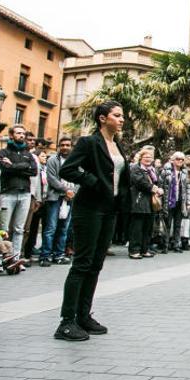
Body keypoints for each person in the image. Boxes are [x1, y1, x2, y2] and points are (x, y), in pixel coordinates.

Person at [54, 100, 130, 341]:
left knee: (96, 264)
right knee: (82, 263)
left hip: (109, 209)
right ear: (102, 118)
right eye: (117, 115)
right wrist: (93, 182)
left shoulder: (117, 145)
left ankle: (83, 315)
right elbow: (68, 170)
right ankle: (66, 322)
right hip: (89, 208)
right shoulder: (89, 142)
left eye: (122, 116)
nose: (121, 119)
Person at [0, 124, 37, 260]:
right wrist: (23, 167)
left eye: (23, 134)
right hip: (8, 192)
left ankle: (15, 258)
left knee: (19, 229)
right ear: (11, 135)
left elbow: (34, 171)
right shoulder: (4, 152)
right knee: (3, 229)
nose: (21, 135)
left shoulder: (28, 154)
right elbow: (5, 168)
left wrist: (13, 166)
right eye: (18, 133)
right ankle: (1, 258)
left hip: (25, 193)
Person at [40, 137, 76, 266]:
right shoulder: (52, 160)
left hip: (70, 199)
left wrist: (73, 192)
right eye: (62, 145)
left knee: (64, 228)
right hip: (55, 198)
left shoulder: (76, 161)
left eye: (68, 145)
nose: (65, 147)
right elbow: (52, 178)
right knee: (51, 228)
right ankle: (45, 255)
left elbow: (80, 177)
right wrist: (66, 190)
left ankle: (59, 254)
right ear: (59, 146)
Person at [128, 146, 161, 259]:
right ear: (141, 157)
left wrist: (159, 189)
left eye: (150, 157)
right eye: (146, 156)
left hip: (150, 203)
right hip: (139, 201)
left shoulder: (152, 170)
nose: (148, 159)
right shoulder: (135, 168)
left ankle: (144, 249)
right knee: (137, 227)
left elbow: (158, 183)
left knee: (148, 227)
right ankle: (134, 250)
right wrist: (154, 188)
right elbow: (140, 182)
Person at [160, 151, 188, 253]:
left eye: (182, 159)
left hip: (180, 202)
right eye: (178, 159)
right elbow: (161, 185)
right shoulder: (165, 171)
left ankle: (177, 245)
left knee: (177, 225)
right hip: (169, 201)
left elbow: (187, 188)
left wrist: (187, 202)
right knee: (167, 224)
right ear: (173, 160)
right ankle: (165, 245)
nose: (180, 161)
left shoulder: (184, 172)